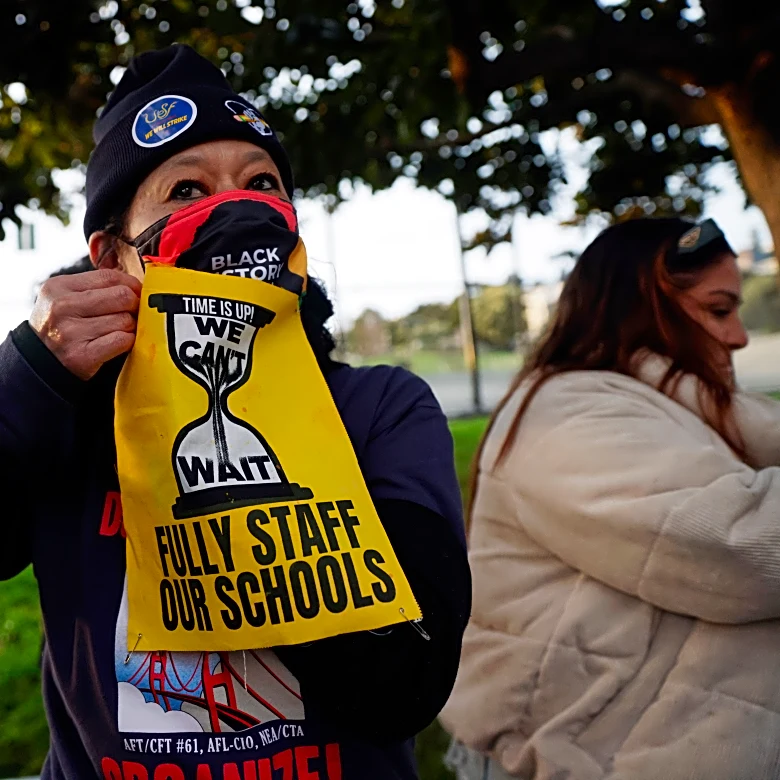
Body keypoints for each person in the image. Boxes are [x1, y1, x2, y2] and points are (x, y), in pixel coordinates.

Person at [0, 44, 470, 780]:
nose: (237, 206)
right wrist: (27, 377)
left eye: (262, 184)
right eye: (186, 191)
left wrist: (263, 383)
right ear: (108, 256)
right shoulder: (68, 414)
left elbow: (403, 681)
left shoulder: (381, 406)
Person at [441, 216, 780, 780]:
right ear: (643, 306)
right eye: (719, 310)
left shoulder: (671, 404)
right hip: (584, 753)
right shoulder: (568, 412)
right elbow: (741, 544)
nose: (739, 336)